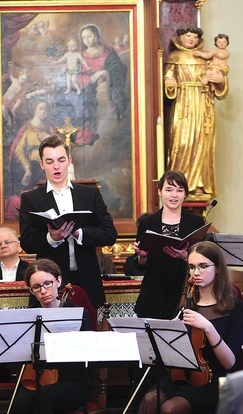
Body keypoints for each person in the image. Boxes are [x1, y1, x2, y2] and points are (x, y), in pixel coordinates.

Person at [137, 241, 243, 414]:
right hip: (180, 375)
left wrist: (208, 327)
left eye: (203, 266)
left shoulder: (236, 308)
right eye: (192, 267)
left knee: (171, 408)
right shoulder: (185, 305)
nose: (196, 272)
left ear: (217, 268)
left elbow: (229, 362)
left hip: (214, 379)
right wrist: (169, 334)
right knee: (149, 400)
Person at [19, 135, 117, 309]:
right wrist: (52, 238)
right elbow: (27, 243)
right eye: (49, 161)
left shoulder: (89, 194)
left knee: (88, 333)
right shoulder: (31, 198)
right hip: (49, 283)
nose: (56, 166)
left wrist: (79, 233)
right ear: (41, 164)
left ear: (69, 161)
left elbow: (109, 234)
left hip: (86, 279)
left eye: (61, 160)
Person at [10, 258, 90, 414]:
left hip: (72, 381)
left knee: (43, 397)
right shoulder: (29, 316)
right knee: (20, 402)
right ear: (31, 290)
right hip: (36, 378)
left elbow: (85, 353)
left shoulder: (78, 314)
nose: (43, 291)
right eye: (37, 287)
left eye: (47, 283)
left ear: (58, 281)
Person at [164, 24, 229, 199]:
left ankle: (199, 183)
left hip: (203, 105)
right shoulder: (174, 58)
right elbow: (168, 79)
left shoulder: (206, 58)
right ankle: (179, 183)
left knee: (201, 142)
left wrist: (220, 80)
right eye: (188, 36)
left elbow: (220, 86)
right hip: (183, 105)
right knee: (182, 142)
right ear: (180, 38)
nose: (191, 39)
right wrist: (170, 84)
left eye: (194, 36)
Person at [133, 170, 204, 319]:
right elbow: (139, 265)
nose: (174, 195)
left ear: (185, 194)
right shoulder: (147, 222)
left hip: (185, 292)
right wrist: (142, 256)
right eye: (169, 190)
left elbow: (204, 261)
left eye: (179, 190)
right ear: (160, 191)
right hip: (153, 294)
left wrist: (186, 256)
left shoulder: (196, 222)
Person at [72, 23, 127, 145]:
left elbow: (119, 69)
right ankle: (82, 135)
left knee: (98, 98)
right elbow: (74, 70)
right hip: (84, 85)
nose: (87, 40)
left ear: (96, 36)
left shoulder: (108, 52)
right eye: (84, 38)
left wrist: (102, 73)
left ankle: (99, 134)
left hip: (103, 84)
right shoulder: (80, 54)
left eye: (89, 36)